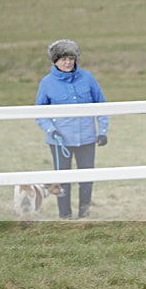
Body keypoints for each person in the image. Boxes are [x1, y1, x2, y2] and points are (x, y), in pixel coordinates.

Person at [35, 39, 109, 219]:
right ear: (55, 61)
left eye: (70, 58)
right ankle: (65, 217)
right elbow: (39, 113)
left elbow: (102, 105)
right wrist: (52, 130)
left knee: (87, 179)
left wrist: (102, 131)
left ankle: (84, 215)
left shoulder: (88, 78)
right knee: (63, 181)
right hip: (60, 142)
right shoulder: (46, 83)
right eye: (62, 59)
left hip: (87, 139)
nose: (67, 62)